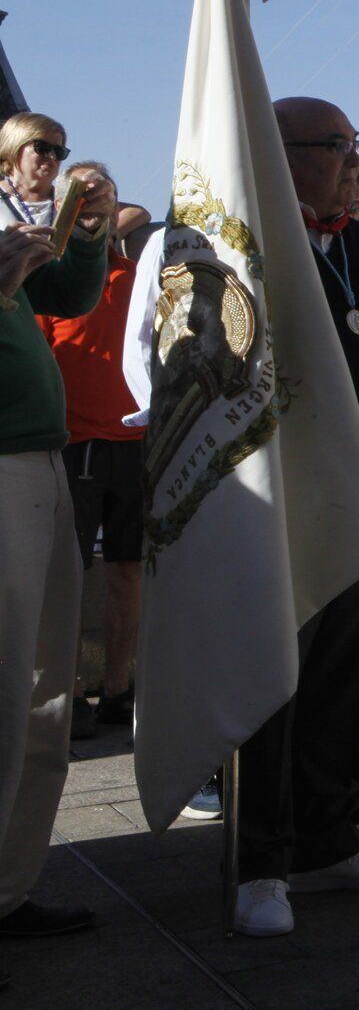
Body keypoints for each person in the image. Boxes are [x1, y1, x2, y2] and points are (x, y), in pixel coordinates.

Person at [232, 97, 359, 939]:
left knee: (343, 675)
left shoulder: (353, 244)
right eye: (341, 146)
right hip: (281, 500)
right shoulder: (245, 245)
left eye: (356, 145)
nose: (355, 161)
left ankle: (327, 836)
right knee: (275, 685)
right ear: (286, 152)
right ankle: (260, 866)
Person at [0, 146, 113, 942]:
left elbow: (70, 293)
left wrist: (88, 229)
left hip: (41, 456)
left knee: (44, 693)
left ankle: (8, 888)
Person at [36, 162, 143, 739]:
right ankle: (70, 689)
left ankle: (119, 687)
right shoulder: (47, 279)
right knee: (70, 578)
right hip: (74, 443)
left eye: (100, 202)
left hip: (133, 443)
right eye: (79, 203)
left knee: (128, 573)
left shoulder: (139, 276)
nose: (91, 213)